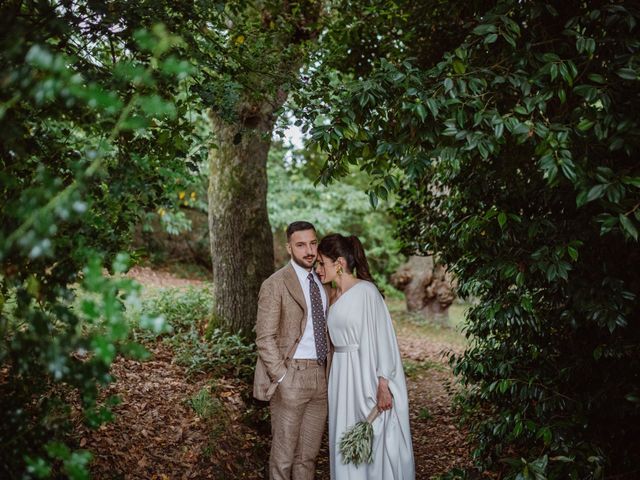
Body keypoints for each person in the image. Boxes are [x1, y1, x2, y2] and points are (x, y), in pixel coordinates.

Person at [315, 233, 415, 480]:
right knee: (344, 438)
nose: (318, 269)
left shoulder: (367, 292)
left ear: (339, 263)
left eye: (321, 263)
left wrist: (383, 384)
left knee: (373, 436)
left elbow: (384, 340)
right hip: (341, 377)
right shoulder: (332, 295)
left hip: (365, 375)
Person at [253, 221, 332, 480]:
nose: (309, 251)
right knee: (283, 459)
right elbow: (264, 337)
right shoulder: (275, 284)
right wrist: (283, 377)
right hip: (292, 375)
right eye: (301, 245)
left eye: (313, 243)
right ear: (289, 247)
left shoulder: (325, 281)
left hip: (321, 376)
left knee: (307, 459)